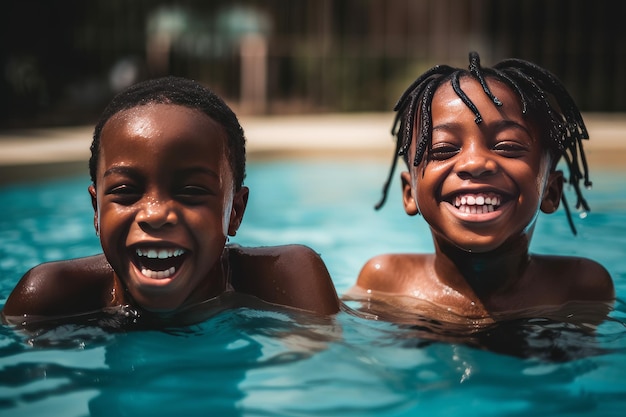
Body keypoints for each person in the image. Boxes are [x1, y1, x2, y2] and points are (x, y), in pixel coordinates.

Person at [3, 76, 340, 327]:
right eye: (125, 191)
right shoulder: (49, 300)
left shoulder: (285, 282)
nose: (155, 214)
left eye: (191, 191)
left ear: (235, 211)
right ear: (97, 209)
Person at [348, 52, 614, 323]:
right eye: (444, 149)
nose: (475, 163)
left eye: (507, 147)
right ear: (409, 193)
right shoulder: (385, 282)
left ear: (551, 190)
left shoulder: (578, 288)